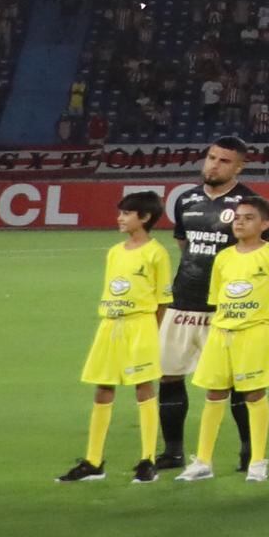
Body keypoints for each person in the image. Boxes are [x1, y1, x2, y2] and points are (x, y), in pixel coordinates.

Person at [153, 136, 267, 484]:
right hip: (183, 301)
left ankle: (249, 452)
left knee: (232, 382)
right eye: (211, 158)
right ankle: (173, 450)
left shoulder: (248, 205)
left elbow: (256, 251)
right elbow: (184, 243)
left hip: (224, 309)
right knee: (170, 374)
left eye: (223, 161)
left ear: (238, 167)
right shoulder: (186, 200)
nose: (213, 165)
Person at [65, 189, 174, 484]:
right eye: (121, 213)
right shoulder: (114, 251)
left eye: (126, 213)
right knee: (102, 388)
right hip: (109, 326)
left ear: (145, 217)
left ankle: (147, 459)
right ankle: (93, 460)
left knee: (144, 387)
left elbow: (163, 299)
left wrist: (151, 330)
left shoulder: (156, 253)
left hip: (141, 325)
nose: (120, 218)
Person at [182, 195, 269, 483]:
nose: (240, 222)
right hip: (220, 333)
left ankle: (258, 462)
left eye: (249, 217)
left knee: (254, 394)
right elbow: (217, 299)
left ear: (265, 223)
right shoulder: (224, 257)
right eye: (238, 217)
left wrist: (259, 323)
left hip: (254, 334)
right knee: (213, 393)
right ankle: (203, 461)